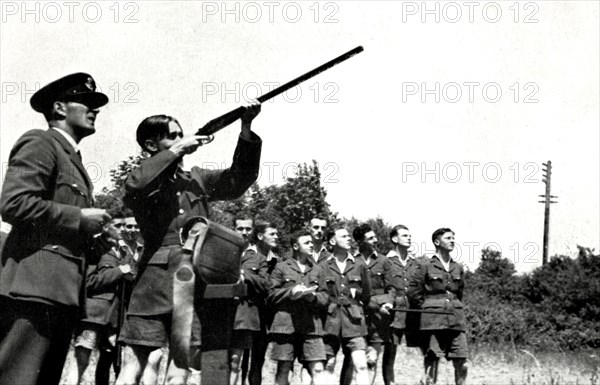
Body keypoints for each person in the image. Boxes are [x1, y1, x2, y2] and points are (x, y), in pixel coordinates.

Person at [116, 102, 262, 385]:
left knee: (182, 365)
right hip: (154, 281)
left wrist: (246, 128)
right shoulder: (142, 176)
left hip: (196, 277)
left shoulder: (196, 177)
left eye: (181, 134)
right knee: (136, 361)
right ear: (151, 144)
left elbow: (238, 179)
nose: (180, 139)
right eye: (172, 135)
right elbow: (134, 186)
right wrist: (178, 149)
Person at [0, 72, 111, 385]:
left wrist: (94, 235)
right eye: (86, 102)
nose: (95, 109)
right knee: (18, 378)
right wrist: (79, 217)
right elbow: (14, 203)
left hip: (61, 291)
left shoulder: (72, 157)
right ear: (60, 108)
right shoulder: (41, 142)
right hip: (33, 288)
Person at [66, 213, 136, 385]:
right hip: (94, 314)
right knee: (81, 360)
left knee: (109, 359)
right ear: (105, 227)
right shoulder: (94, 247)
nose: (122, 230)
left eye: (123, 226)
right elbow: (88, 282)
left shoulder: (125, 250)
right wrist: (120, 271)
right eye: (117, 226)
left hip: (115, 317)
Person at [407, 228, 468, 385]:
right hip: (433, 320)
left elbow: (459, 293)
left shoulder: (458, 267)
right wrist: (429, 307)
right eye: (448, 238)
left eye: (453, 238)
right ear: (437, 242)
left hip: (455, 320)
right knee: (432, 359)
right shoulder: (425, 266)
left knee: (462, 362)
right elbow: (414, 293)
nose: (452, 240)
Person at [268, 230, 329, 385]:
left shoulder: (318, 269)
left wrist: (313, 297)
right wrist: (291, 292)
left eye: (311, 242)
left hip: (311, 327)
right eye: (307, 243)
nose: (311, 245)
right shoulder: (281, 267)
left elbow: (325, 297)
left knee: (318, 368)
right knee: (284, 369)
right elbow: (270, 294)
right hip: (285, 326)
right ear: (296, 246)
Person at [321, 226, 371, 385]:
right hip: (330, 321)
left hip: (354, 321)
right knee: (328, 364)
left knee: (361, 365)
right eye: (343, 236)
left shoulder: (359, 264)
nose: (349, 238)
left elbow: (367, 294)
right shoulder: (323, 265)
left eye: (349, 236)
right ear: (332, 241)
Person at [352, 224, 394, 385]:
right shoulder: (351, 261)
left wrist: (388, 303)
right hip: (356, 318)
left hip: (378, 319)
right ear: (360, 241)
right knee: (354, 360)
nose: (375, 240)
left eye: (375, 237)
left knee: (372, 358)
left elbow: (391, 289)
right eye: (370, 238)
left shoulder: (384, 261)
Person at [230, 215, 270, 385]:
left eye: (248, 229)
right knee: (215, 360)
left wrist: (244, 275)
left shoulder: (259, 258)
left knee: (235, 361)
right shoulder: (224, 252)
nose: (244, 232)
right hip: (223, 312)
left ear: (252, 231)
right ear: (233, 229)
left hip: (243, 315)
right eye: (240, 228)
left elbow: (265, 284)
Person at [384, 224, 421, 385]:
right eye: (405, 235)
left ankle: (427, 380)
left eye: (409, 235)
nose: (409, 238)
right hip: (395, 312)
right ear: (394, 239)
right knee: (390, 350)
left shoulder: (416, 263)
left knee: (425, 347)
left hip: (414, 311)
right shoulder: (386, 261)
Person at [245, 221, 280, 385]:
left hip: (265, 315)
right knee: (240, 360)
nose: (276, 237)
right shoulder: (245, 255)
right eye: (272, 234)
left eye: (276, 233)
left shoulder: (277, 261)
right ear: (260, 236)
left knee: (258, 361)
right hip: (245, 312)